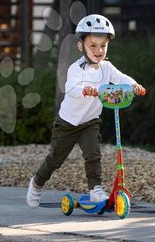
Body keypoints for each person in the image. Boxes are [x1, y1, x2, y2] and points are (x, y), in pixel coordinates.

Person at [26, 14, 145, 208]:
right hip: (68, 123)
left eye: (103, 46)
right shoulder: (77, 69)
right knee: (55, 159)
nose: (98, 50)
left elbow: (120, 77)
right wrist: (85, 90)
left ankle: (95, 188)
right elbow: (70, 89)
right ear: (81, 46)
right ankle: (37, 182)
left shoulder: (106, 67)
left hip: (90, 121)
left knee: (93, 154)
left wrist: (134, 85)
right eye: (93, 45)